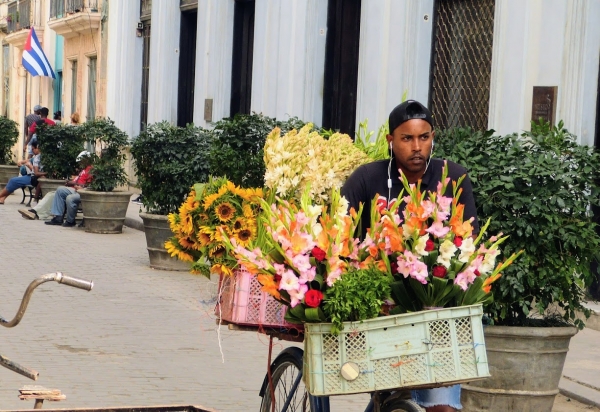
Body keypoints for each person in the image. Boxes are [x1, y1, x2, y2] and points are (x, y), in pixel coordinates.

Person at [341, 100, 479, 412]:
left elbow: (468, 241)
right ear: (390, 141)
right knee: (392, 396)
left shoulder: (452, 177)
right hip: (380, 309)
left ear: (432, 137)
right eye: (407, 139)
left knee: (440, 405)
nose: (417, 147)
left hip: (435, 307)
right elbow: (338, 231)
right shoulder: (366, 179)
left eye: (424, 137)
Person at [45, 151, 93, 227]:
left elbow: (89, 185)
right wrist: (71, 182)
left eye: (81, 161)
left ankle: (70, 221)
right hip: (74, 189)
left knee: (68, 196)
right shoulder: (84, 169)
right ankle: (58, 217)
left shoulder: (90, 169)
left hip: (81, 191)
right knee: (60, 190)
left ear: (86, 160)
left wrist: (75, 184)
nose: (80, 163)